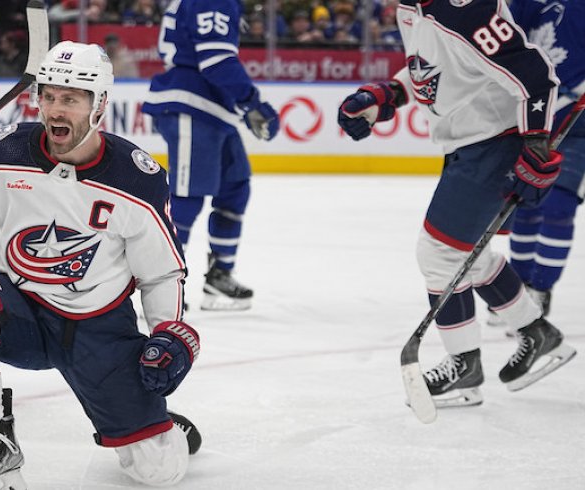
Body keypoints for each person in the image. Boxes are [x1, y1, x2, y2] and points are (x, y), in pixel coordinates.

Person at [0, 41, 201, 488]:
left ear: (98, 105)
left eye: (71, 99)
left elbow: (160, 272)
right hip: (20, 310)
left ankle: (158, 425)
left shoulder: (137, 179)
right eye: (49, 96)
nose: (56, 110)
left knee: (158, 471)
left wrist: (169, 333)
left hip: (99, 331)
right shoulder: (6, 151)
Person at [337, 0, 576, 408]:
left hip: (495, 143)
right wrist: (388, 94)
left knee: (438, 254)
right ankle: (538, 334)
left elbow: (537, 76)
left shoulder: (464, 9)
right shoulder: (411, 9)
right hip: (467, 145)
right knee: (463, 255)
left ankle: (464, 364)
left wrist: (536, 141)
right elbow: (432, 69)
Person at [143, 0, 280, 311]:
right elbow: (216, 61)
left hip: (213, 107)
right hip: (192, 103)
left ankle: (219, 275)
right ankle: (164, 283)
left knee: (235, 187)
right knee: (187, 198)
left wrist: (241, 104)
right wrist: (251, 102)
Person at [498, 0, 585, 325]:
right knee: (526, 204)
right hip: (531, 117)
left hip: (578, 123)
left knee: (559, 206)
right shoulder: (523, 3)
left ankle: (541, 288)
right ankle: (516, 292)